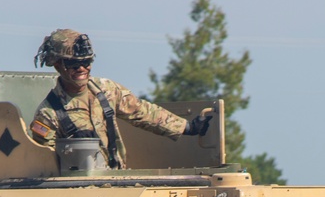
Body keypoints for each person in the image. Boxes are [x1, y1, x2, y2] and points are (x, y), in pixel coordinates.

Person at [31, 29, 212, 169]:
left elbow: (142, 112)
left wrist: (186, 127)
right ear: (57, 65)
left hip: (116, 181)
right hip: (77, 191)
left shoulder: (106, 90)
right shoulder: (49, 114)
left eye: (86, 62)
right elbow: (46, 164)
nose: (82, 68)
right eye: (73, 64)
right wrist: (73, 148)